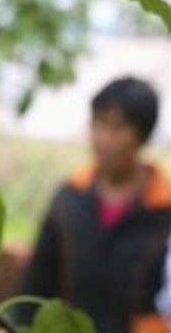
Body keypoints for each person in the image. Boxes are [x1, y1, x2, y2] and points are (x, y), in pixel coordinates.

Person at [14, 76, 171, 333]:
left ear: (142, 135)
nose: (103, 138)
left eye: (116, 128)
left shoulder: (163, 209)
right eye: (97, 124)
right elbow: (38, 279)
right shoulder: (70, 198)